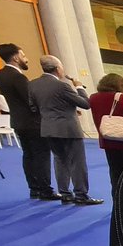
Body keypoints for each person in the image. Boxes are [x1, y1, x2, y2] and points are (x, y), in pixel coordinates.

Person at [26, 55, 103, 205]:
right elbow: (85, 104)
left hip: (48, 128)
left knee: (60, 160)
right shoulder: (63, 86)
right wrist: (79, 87)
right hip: (68, 129)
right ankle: (81, 195)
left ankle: (65, 194)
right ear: (57, 69)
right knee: (77, 162)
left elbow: (33, 107)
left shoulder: (32, 85)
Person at [0, 43, 58, 200]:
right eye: (23, 55)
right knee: (41, 155)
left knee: (28, 155)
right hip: (32, 123)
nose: (26, 59)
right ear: (16, 57)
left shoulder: (0, 75)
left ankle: (34, 188)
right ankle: (45, 189)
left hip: (17, 121)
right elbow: (30, 100)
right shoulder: (18, 77)